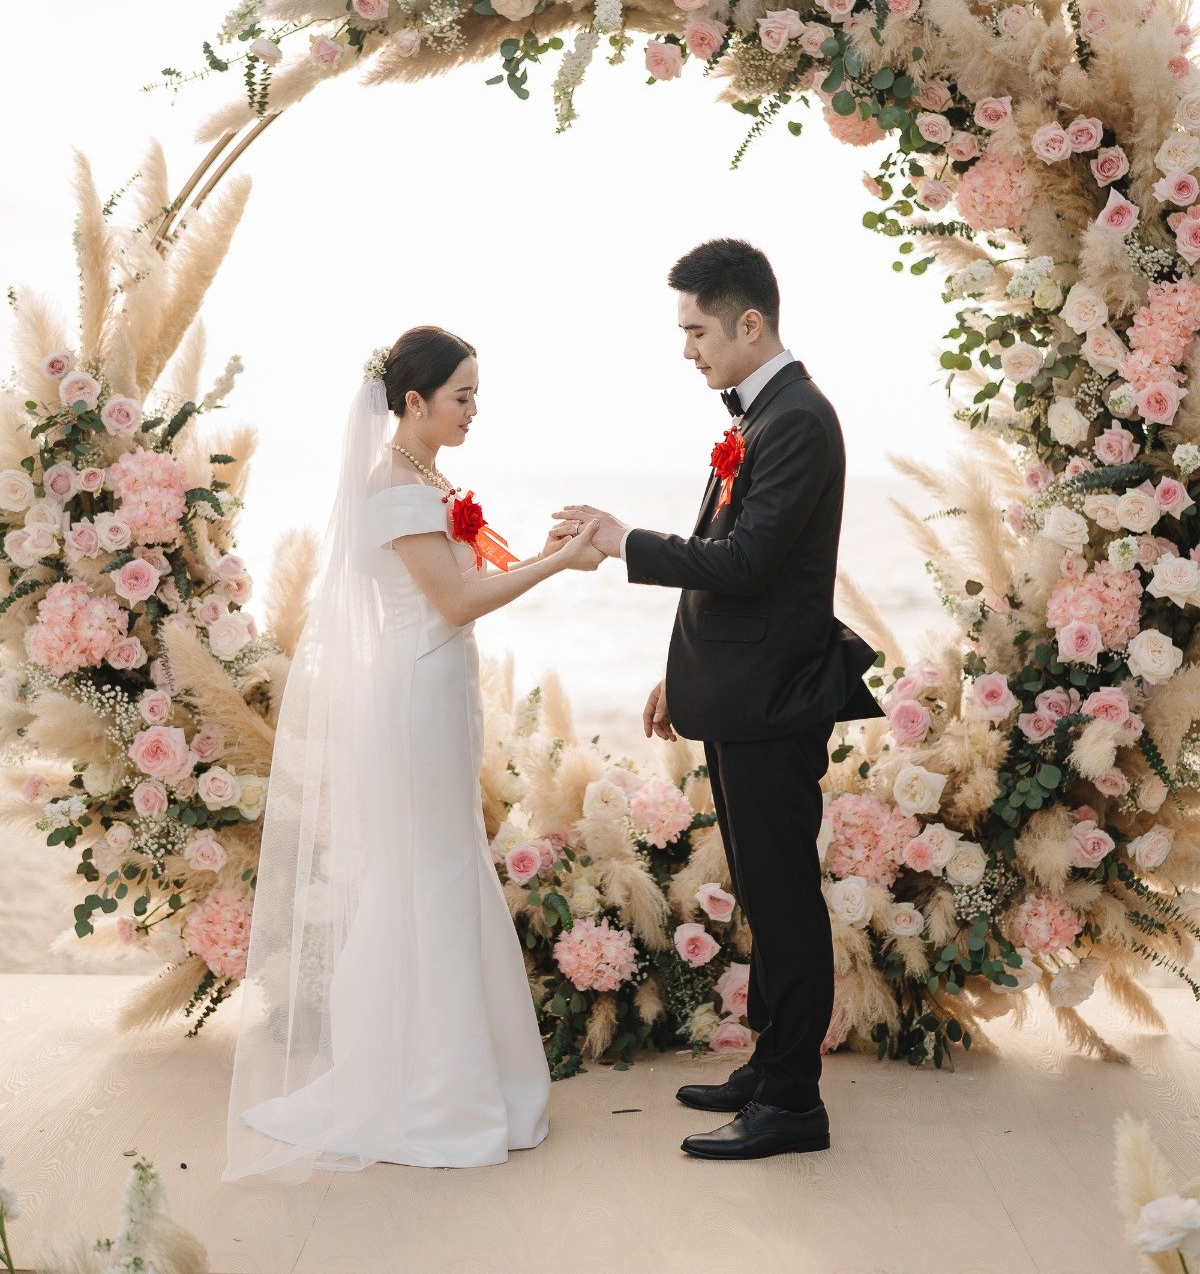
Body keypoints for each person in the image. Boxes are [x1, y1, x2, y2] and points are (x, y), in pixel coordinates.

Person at [223, 326, 602, 1181]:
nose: (475, 410)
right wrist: (560, 566)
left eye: (476, 395)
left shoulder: (425, 476)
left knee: (444, 864)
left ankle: (459, 1077)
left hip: (438, 688)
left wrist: (544, 552)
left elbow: (466, 573)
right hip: (416, 692)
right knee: (429, 871)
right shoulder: (397, 487)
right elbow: (458, 599)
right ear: (413, 403)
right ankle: (430, 1089)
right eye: (462, 396)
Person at [553, 238, 886, 1161]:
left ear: (750, 322)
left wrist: (624, 542)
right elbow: (734, 571)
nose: (688, 349)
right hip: (741, 691)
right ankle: (769, 1068)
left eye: (697, 330)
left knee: (784, 901)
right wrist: (682, 671)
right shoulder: (763, 414)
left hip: (775, 704)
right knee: (762, 893)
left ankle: (792, 1104)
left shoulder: (800, 421)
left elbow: (745, 562)